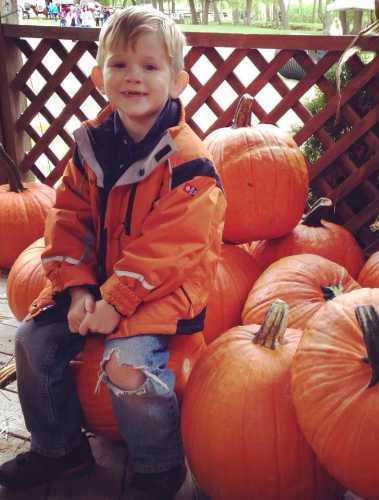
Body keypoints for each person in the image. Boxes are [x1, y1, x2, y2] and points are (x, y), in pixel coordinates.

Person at [0, 6, 226, 500]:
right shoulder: (90, 145)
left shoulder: (190, 164)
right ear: (100, 74)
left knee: (126, 365)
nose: (133, 77)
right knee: (32, 343)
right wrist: (78, 288)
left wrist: (114, 301)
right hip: (97, 284)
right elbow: (67, 218)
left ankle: (158, 464)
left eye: (150, 66)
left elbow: (171, 250)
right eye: (120, 64)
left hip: (162, 292)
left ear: (178, 79)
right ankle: (59, 449)